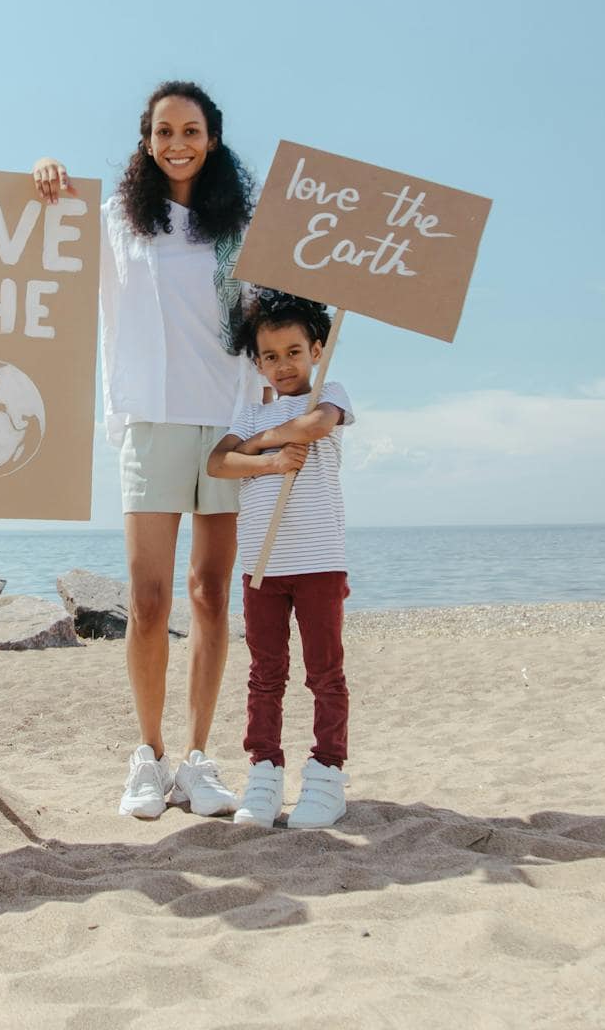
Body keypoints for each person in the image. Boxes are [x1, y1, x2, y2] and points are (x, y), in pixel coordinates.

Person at [32, 81, 258, 819]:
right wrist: (46, 174)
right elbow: (49, 236)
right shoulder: (118, 223)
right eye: (163, 131)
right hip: (149, 421)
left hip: (226, 422)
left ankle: (197, 758)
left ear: (212, 138)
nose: (177, 143)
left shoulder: (241, 229)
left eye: (191, 130)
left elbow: (271, 314)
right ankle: (150, 754)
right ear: (146, 139)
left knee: (212, 596)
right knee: (152, 599)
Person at [206, 291, 353, 830]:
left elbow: (315, 427)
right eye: (271, 356)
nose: (284, 364)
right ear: (257, 362)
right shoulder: (249, 412)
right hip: (263, 567)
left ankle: (327, 772)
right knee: (266, 674)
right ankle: (264, 771)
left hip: (319, 562)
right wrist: (267, 459)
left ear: (317, 349)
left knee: (324, 673)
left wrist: (257, 445)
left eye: (294, 351)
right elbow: (219, 463)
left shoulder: (329, 391)